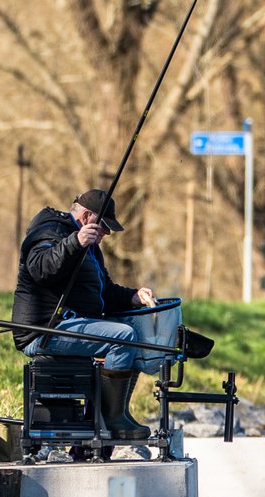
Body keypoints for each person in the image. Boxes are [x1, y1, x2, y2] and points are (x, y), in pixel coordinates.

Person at [11, 188, 157, 440]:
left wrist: (133, 296)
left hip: (73, 324)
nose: (107, 233)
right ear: (87, 216)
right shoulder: (49, 232)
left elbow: (104, 292)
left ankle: (115, 414)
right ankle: (112, 421)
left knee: (137, 336)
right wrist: (74, 242)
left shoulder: (91, 248)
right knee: (122, 338)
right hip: (44, 331)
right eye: (104, 226)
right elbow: (41, 268)